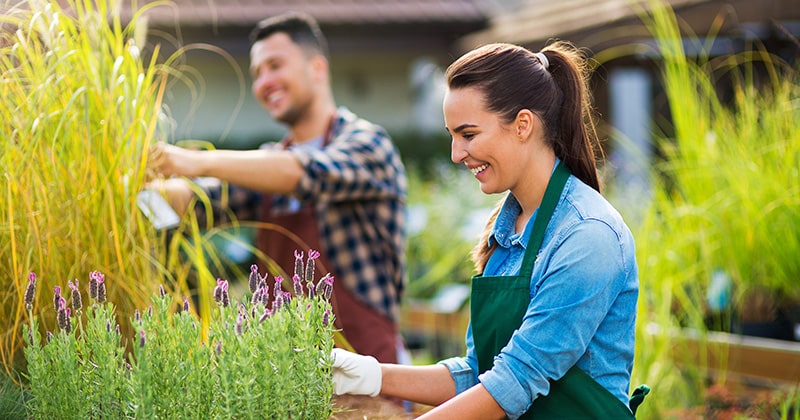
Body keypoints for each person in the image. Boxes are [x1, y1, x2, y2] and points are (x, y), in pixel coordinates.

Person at [331, 41, 648, 419]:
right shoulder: (504, 231)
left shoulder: (587, 236)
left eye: (468, 134)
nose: (456, 153)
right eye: (452, 135)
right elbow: (480, 374)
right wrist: (370, 375)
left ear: (523, 125)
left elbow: (514, 381)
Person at [148, 11, 408, 364]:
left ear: (317, 68)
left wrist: (196, 161)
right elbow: (201, 199)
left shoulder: (367, 144)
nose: (264, 81)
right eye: (257, 73)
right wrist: (137, 185)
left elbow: (306, 172)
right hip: (285, 380)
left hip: (371, 379)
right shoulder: (265, 168)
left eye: (275, 65)